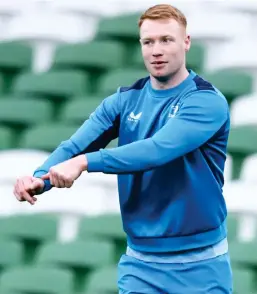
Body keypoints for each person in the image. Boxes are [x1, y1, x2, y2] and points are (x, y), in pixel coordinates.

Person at [13, 4, 233, 294]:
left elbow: (157, 150)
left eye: (166, 40)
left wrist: (84, 163)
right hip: (140, 266)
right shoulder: (123, 101)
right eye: (148, 42)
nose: (156, 50)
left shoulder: (206, 101)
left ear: (186, 42)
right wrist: (39, 178)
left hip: (202, 266)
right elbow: (76, 145)